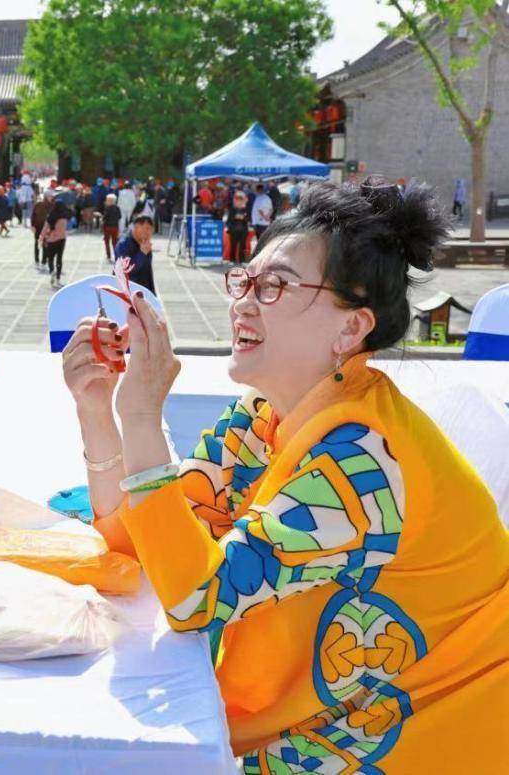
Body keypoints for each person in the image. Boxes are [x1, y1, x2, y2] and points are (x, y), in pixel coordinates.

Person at [63, 177, 507, 772]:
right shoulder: (267, 413)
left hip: (425, 730)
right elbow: (141, 543)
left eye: (275, 286)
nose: (242, 301)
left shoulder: (363, 458)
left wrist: (141, 415)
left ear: (351, 330)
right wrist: (98, 413)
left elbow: (195, 597)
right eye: (245, 280)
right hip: (338, 714)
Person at [113, 214, 155, 293]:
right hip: (126, 291)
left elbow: (148, 272)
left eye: (151, 230)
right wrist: (142, 254)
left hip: (143, 291)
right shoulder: (123, 244)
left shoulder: (144, 243)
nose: (149, 233)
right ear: (136, 227)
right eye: (146, 229)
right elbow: (126, 271)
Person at [40, 190, 71, 288]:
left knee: (50, 258)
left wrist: (41, 237)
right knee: (59, 258)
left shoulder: (51, 216)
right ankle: (58, 278)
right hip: (62, 240)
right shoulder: (65, 217)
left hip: (51, 240)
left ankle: (52, 271)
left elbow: (45, 228)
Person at [31, 189, 54, 271]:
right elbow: (33, 215)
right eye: (51, 196)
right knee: (40, 244)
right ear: (47, 196)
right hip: (40, 227)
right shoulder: (39, 204)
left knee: (43, 245)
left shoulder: (51, 205)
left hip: (43, 227)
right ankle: (39, 261)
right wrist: (32, 225)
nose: (52, 197)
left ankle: (42, 261)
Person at [226, 189, 251, 263]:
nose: (239, 201)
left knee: (243, 245)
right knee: (233, 244)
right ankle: (232, 259)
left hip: (243, 229)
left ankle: (242, 260)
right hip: (234, 229)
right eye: (238, 199)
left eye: (241, 199)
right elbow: (228, 220)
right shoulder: (232, 209)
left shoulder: (246, 209)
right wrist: (235, 217)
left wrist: (244, 218)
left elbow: (249, 218)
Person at [101, 193, 123, 262]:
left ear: (110, 201)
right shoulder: (117, 208)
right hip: (115, 227)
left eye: (107, 200)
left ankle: (108, 256)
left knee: (107, 242)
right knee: (115, 242)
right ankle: (116, 255)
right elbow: (120, 216)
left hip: (107, 227)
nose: (106, 201)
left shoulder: (107, 208)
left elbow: (105, 218)